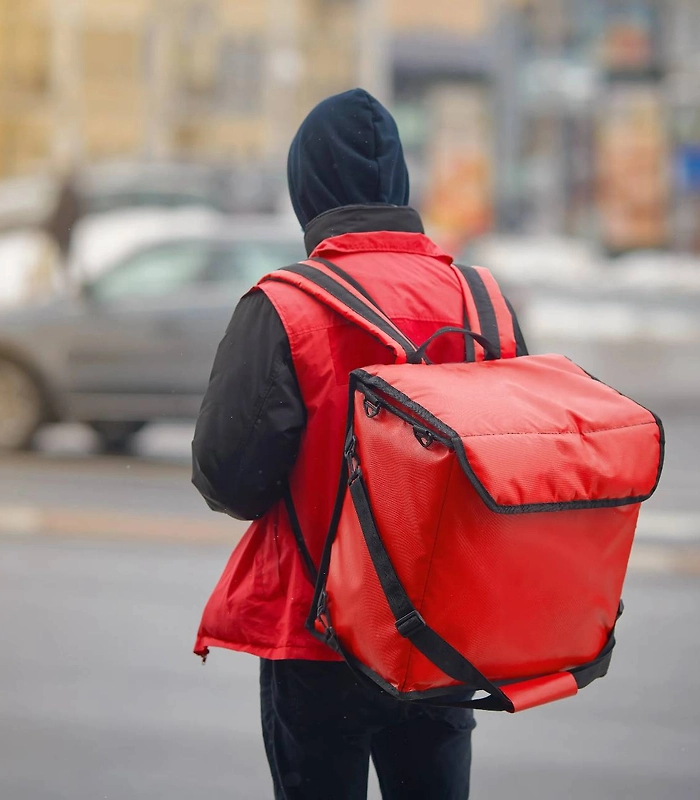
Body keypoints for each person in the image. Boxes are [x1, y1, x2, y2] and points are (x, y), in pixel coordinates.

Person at [191, 88, 527, 800]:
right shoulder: (481, 300)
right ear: (399, 183)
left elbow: (229, 478)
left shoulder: (285, 304)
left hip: (318, 639)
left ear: (304, 188)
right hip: (438, 636)